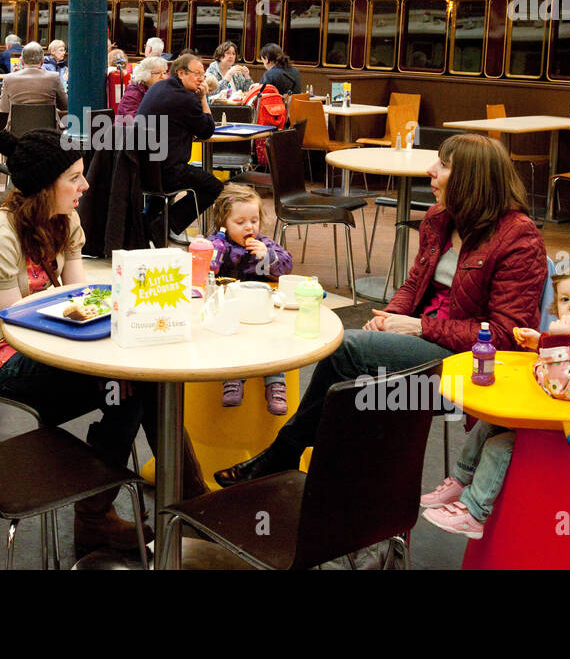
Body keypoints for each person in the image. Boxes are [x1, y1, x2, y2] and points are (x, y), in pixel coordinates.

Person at [215, 132, 548, 486]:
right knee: (350, 391)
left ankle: (286, 456)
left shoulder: (518, 238)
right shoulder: (441, 218)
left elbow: (505, 338)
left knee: (346, 352)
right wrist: (387, 319)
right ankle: (342, 498)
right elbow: (413, 284)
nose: (430, 171)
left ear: (472, 180)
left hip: (467, 372)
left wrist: (418, 328)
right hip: (422, 353)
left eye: (443, 165)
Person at [0, 127, 207, 552]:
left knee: (139, 377)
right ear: (44, 186)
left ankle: (173, 504)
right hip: (8, 360)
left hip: (58, 343)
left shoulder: (66, 220)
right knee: (132, 387)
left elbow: (80, 298)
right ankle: (139, 510)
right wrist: (101, 351)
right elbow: (14, 325)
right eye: (74, 177)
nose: (86, 185)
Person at [421, 262, 570, 539]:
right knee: (487, 424)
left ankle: (473, 511)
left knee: (500, 443)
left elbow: (563, 385)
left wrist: (557, 342)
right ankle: (460, 479)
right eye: (565, 299)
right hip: (557, 416)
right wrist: (542, 342)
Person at [208, 184, 294, 414]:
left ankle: (276, 383)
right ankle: (233, 378)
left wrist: (268, 257)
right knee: (228, 339)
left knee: (273, 339)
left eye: (254, 220)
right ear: (223, 223)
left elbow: (287, 265)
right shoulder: (218, 244)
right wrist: (208, 256)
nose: (249, 227)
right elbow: (202, 268)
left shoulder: (264, 244)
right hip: (229, 310)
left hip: (259, 310)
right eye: (241, 222)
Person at [135, 54, 222, 244]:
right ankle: (165, 225)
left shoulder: (158, 87)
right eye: (197, 74)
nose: (201, 78)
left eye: (203, 74)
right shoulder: (186, 99)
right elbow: (207, 130)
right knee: (214, 186)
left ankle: (147, 227)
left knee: (163, 184)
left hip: (142, 169)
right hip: (168, 172)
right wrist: (203, 98)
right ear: (181, 73)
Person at [0, 41, 67, 130]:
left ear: (21, 61)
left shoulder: (8, 79)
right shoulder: (54, 77)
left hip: (16, 135)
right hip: (49, 135)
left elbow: (4, 108)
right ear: (42, 60)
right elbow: (65, 105)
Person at [115, 55, 167, 124]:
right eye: (158, 73)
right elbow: (133, 121)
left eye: (164, 73)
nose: (163, 77)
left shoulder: (159, 91)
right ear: (146, 74)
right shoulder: (133, 93)